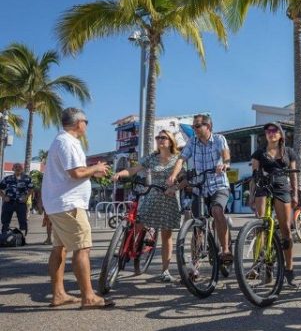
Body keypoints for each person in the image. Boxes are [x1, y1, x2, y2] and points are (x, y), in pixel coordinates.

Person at [42, 108, 114, 309]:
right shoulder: (67, 142)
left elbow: (73, 174)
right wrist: (96, 168)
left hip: (59, 203)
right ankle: (89, 297)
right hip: (69, 205)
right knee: (82, 248)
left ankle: (58, 294)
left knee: (60, 248)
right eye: (86, 121)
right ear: (78, 123)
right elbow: (76, 172)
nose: (87, 126)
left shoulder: (62, 141)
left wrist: (92, 172)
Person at [112, 130, 181, 282]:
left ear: (170, 141)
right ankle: (125, 250)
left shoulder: (178, 159)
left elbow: (183, 179)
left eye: (163, 138)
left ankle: (165, 271)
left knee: (166, 235)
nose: (160, 140)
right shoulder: (152, 157)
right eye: (158, 137)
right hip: (152, 194)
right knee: (138, 223)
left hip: (168, 198)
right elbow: (134, 169)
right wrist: (120, 174)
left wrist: (174, 188)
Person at [167, 114, 233, 263]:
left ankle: (225, 250)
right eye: (193, 127)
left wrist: (225, 164)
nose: (194, 129)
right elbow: (181, 159)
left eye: (197, 126)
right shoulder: (192, 142)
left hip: (218, 185)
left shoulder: (218, 139)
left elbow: (225, 154)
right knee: (197, 226)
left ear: (207, 126)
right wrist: (173, 175)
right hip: (199, 188)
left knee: (217, 210)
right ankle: (193, 266)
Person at [248, 122, 299, 286]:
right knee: (261, 226)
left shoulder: (289, 152)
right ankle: (264, 265)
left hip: (282, 187)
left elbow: (294, 176)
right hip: (263, 187)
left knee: (285, 229)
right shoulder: (259, 153)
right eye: (268, 131)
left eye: (274, 130)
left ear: (281, 134)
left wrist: (295, 193)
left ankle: (289, 270)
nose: (271, 133)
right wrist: (251, 195)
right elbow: (254, 176)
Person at [0, 163, 34, 235]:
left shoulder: (27, 178)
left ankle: (22, 239)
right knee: (5, 221)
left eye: (19, 167)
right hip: (9, 203)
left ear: (22, 169)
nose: (18, 168)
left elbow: (31, 189)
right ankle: (4, 237)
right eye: (16, 167)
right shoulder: (7, 179)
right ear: (13, 169)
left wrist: (26, 197)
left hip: (21, 203)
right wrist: (3, 197)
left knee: (23, 221)